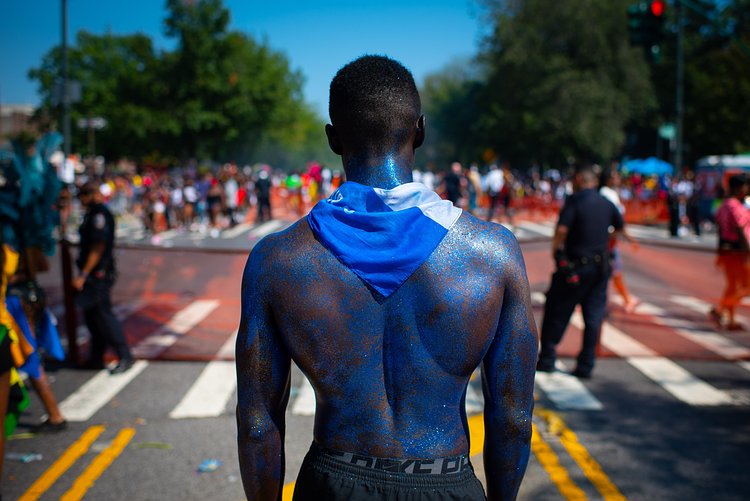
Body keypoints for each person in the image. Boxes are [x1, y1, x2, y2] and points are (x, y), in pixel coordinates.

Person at [236, 55, 537, 501]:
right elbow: (512, 416)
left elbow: (258, 422)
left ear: (334, 139)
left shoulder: (278, 259)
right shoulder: (493, 253)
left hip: (333, 481)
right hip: (446, 480)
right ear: (420, 130)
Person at [536, 164, 624, 379]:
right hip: (600, 267)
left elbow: (562, 230)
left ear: (579, 180)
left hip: (575, 267)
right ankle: (586, 365)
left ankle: (547, 358)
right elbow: (619, 227)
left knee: (557, 311)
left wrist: (556, 251)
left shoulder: (575, 202)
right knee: (593, 318)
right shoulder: (607, 203)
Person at [74, 182, 134, 374]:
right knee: (93, 317)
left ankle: (124, 355)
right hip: (92, 274)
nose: (81, 200)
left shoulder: (99, 215)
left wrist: (83, 274)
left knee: (104, 315)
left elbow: (98, 246)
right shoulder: (92, 213)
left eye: (83, 195)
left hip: (97, 274)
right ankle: (96, 357)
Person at [710, 175, 750, 330]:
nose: (746, 189)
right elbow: (740, 230)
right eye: (745, 186)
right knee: (745, 286)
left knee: (732, 285)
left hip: (727, 249)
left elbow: (720, 229)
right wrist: (747, 251)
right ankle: (720, 309)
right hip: (737, 250)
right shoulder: (735, 206)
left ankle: (731, 319)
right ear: (737, 188)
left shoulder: (724, 205)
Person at [599, 167, 640, 313]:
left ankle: (626, 298)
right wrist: (630, 238)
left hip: (609, 238)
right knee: (611, 270)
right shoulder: (608, 194)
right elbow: (616, 221)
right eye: (615, 176)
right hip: (609, 239)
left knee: (613, 270)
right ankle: (623, 299)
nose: (618, 178)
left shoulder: (607, 193)